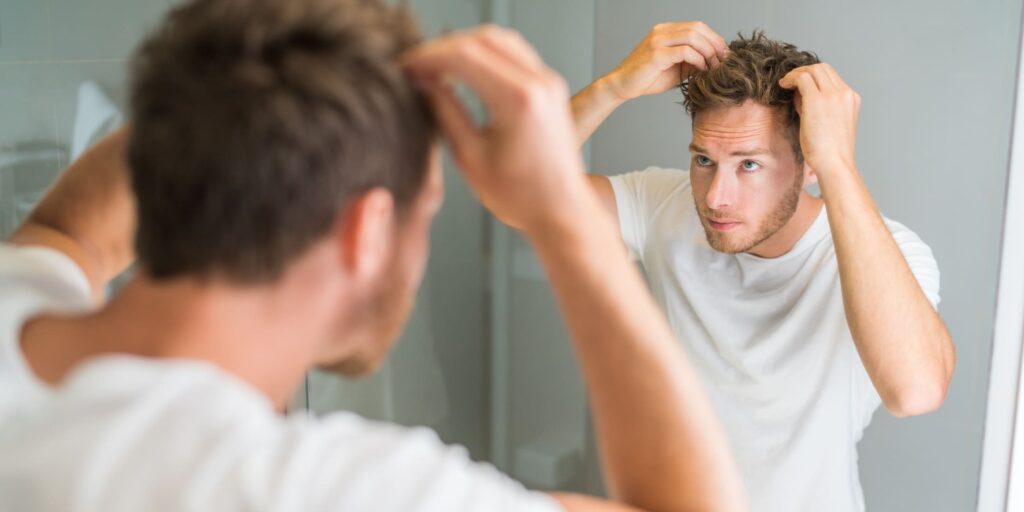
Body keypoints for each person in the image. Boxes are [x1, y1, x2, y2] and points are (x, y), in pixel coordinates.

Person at [0, 1, 745, 511]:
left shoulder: (16, 302)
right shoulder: (323, 490)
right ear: (367, 231)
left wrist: (263, 74)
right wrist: (555, 210)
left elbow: (71, 232)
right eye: (426, 208)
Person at [571, 23, 956, 512]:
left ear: (808, 163)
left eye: (749, 164)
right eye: (705, 160)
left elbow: (916, 391)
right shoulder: (662, 206)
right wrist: (612, 88)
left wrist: (838, 164)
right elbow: (520, 195)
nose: (715, 198)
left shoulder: (886, 252)